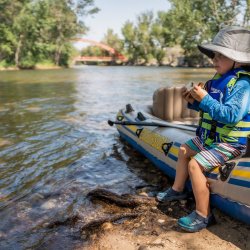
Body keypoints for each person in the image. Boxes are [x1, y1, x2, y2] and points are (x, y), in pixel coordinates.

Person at [157, 26, 250, 232]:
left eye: (220, 55)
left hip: (230, 143)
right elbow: (208, 109)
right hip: (211, 138)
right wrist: (193, 101)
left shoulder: (243, 85)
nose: (214, 59)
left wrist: (205, 99)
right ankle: (178, 189)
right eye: (214, 55)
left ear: (239, 61)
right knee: (184, 150)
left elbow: (230, 115)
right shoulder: (215, 80)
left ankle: (203, 215)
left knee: (195, 165)